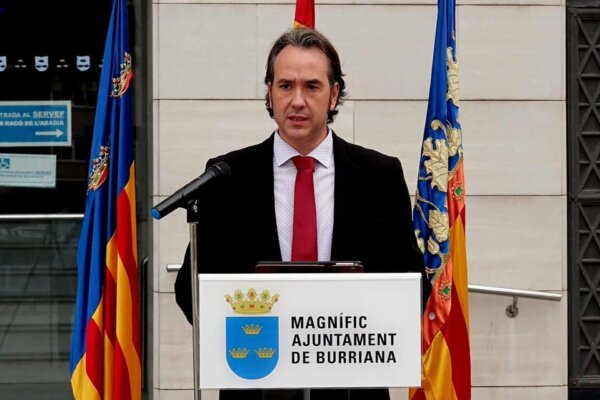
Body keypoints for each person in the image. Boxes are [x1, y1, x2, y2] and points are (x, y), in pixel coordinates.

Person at [174, 28, 431, 400]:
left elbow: (411, 283)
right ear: (270, 92)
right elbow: (191, 289)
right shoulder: (227, 176)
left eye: (311, 86)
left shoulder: (379, 175)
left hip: (352, 386)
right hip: (256, 382)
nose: (297, 101)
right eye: (285, 86)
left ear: (334, 94)